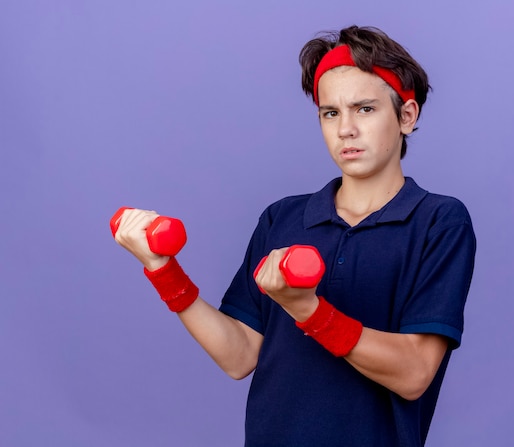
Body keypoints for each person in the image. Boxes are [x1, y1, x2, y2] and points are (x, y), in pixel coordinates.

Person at [115, 25, 476, 447]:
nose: (345, 129)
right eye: (330, 112)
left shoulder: (439, 221)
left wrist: (309, 310)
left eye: (364, 109)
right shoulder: (283, 218)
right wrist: (162, 269)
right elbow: (239, 356)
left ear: (406, 117)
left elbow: (414, 374)